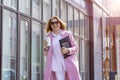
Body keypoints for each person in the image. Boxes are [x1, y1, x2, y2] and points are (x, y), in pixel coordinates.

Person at [44, 16, 81, 80]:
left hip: (68, 62)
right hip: (56, 64)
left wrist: (68, 50)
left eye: (56, 22)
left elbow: (76, 47)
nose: (54, 24)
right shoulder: (48, 37)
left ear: (60, 23)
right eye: (52, 23)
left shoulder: (67, 34)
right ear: (50, 25)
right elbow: (46, 52)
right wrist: (45, 49)